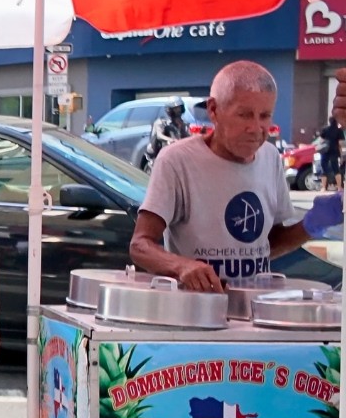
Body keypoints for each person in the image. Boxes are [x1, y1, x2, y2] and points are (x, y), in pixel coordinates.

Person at [130, 61, 315, 292]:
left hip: (254, 309)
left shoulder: (270, 158)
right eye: (245, 115)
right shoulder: (177, 160)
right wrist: (181, 266)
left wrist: (313, 224)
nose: (256, 128)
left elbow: (268, 244)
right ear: (214, 110)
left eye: (265, 116)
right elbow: (140, 245)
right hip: (195, 311)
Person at [145, 95, 187, 170]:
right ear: (170, 110)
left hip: (176, 154)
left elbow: (185, 137)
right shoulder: (161, 122)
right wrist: (171, 140)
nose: (178, 111)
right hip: (159, 153)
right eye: (176, 109)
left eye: (179, 108)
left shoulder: (182, 123)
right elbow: (159, 135)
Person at [319, 116, 344, 191]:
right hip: (334, 151)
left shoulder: (325, 129)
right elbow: (340, 143)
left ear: (329, 121)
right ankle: (339, 187)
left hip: (325, 151)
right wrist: (341, 154)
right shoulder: (339, 130)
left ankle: (323, 187)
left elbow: (321, 141)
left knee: (324, 169)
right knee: (336, 169)